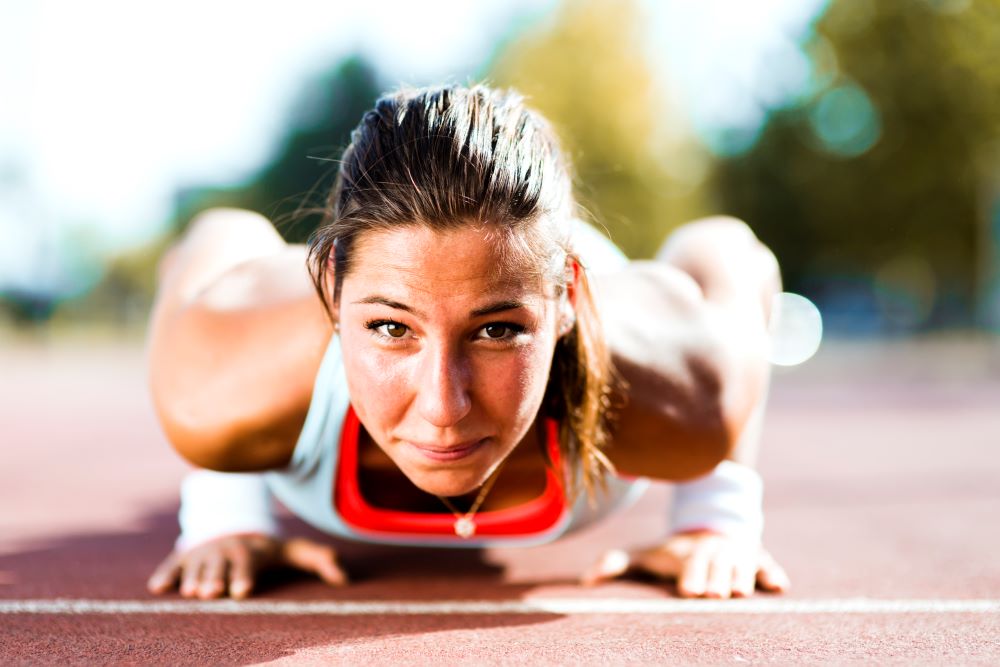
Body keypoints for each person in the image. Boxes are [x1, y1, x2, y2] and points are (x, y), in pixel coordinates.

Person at [145, 84, 790, 601]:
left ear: (567, 299)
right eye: (392, 329)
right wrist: (227, 510)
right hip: (384, 273)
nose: (443, 407)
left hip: (537, 258)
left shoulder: (684, 402)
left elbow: (728, 250)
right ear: (335, 292)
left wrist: (714, 516)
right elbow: (219, 233)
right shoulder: (215, 391)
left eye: (496, 332)